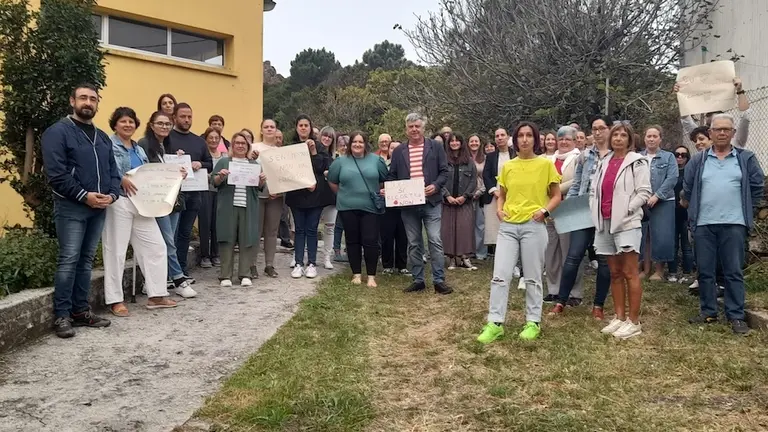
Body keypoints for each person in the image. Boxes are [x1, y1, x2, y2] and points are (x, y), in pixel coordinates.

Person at [41, 83, 121, 338]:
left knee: (86, 261)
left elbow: (113, 172)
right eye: (83, 98)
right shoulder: (58, 132)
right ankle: (62, 315)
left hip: (99, 207)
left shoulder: (102, 137)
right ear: (72, 101)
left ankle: (80, 311)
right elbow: (57, 174)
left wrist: (112, 195)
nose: (88, 102)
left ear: (97, 104)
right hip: (71, 207)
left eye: (93, 99)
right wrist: (84, 196)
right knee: (69, 259)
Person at [477, 121, 562, 344]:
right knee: (500, 275)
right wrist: (499, 209)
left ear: (535, 139)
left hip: (533, 226)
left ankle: (533, 322)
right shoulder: (508, 166)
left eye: (529, 135)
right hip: (508, 226)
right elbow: (502, 194)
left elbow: (556, 195)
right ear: (515, 140)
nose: (524, 139)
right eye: (520, 136)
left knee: (533, 277)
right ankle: (495, 323)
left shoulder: (545, 165)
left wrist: (544, 211)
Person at [683, 113, 764, 335]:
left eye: (726, 129)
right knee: (705, 271)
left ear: (733, 133)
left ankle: (736, 316)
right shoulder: (698, 160)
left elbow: (757, 186)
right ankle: (708, 312)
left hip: (734, 224)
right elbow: (688, 188)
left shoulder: (745, 158)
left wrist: (747, 210)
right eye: (717, 129)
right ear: (710, 133)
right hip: (704, 224)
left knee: (733, 271)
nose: (721, 133)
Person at [103, 107, 177, 316]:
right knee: (116, 251)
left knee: (156, 247)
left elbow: (150, 174)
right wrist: (121, 179)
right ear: (115, 124)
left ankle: (156, 295)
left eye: (131, 122)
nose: (128, 125)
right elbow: (104, 169)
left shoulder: (139, 149)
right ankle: (115, 300)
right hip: (119, 201)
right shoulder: (108, 145)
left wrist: (175, 174)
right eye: (123, 121)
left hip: (142, 204)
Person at [591, 123, 651, 340]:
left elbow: (644, 192)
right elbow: (594, 189)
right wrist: (594, 208)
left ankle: (633, 322)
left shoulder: (637, 162)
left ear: (629, 139)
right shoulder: (604, 161)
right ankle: (619, 316)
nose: (618, 138)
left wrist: (627, 209)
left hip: (627, 223)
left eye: (623, 135)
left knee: (629, 272)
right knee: (614, 272)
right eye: (615, 134)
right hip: (604, 222)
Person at [549, 116, 612, 319]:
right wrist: (569, 209)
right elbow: (576, 185)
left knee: (603, 260)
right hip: (583, 211)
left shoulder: (617, 155)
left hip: (606, 213)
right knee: (573, 256)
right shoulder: (585, 156)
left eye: (601, 128)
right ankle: (561, 301)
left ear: (609, 129)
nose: (598, 132)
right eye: (594, 128)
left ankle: (598, 306)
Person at [385, 113, 452, 294]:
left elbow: (444, 172)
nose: (414, 129)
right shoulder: (399, 151)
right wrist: (389, 189)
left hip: (431, 202)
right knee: (414, 243)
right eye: (411, 127)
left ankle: (439, 280)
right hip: (409, 205)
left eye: (417, 126)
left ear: (423, 128)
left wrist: (435, 185)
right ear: (406, 129)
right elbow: (392, 175)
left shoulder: (435, 147)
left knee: (435, 240)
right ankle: (418, 279)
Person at [138, 111, 196, 298]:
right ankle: (178, 279)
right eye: (160, 123)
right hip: (156, 201)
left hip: (173, 200)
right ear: (151, 125)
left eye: (167, 124)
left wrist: (181, 171)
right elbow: (144, 171)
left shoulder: (169, 147)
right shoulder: (144, 144)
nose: (164, 127)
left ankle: (152, 282)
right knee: (167, 242)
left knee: (167, 241)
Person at [327, 131, 389, 287]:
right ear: (350, 144)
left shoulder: (376, 161)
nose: (357, 144)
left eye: (361, 142)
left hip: (370, 207)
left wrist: (378, 192)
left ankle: (371, 276)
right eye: (354, 142)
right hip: (347, 207)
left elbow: (384, 180)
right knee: (352, 240)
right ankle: (356, 273)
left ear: (365, 144)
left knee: (370, 241)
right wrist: (342, 195)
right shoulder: (340, 162)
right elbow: (332, 181)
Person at [212, 132, 265, 287]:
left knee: (247, 239)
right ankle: (225, 275)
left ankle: (245, 274)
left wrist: (261, 181)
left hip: (248, 206)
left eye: (244, 143)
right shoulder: (224, 162)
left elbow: (260, 188)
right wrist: (220, 176)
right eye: (237, 143)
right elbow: (214, 181)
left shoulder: (254, 164)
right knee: (226, 239)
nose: (240, 146)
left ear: (248, 146)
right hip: (228, 206)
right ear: (232, 146)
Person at [285, 114, 334, 278]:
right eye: (301, 125)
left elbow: (321, 168)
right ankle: (298, 263)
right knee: (299, 229)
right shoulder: (291, 147)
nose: (303, 128)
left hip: (316, 195)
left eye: (306, 125)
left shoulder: (319, 147)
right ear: (296, 128)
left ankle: (312, 263)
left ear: (311, 128)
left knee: (312, 229)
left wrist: (313, 151)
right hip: (296, 194)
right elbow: (287, 170)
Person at [168, 103, 212, 278]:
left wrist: (200, 163)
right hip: (173, 195)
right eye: (183, 116)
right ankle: (169, 273)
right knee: (171, 234)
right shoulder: (167, 138)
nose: (186, 120)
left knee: (185, 234)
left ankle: (182, 271)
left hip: (194, 194)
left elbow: (210, 163)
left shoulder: (199, 141)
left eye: (189, 117)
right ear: (174, 118)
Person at [543, 126, 582, 303]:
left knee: (569, 253)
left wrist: (556, 189)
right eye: (561, 139)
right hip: (549, 210)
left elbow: (578, 180)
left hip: (569, 210)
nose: (564, 142)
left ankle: (573, 292)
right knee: (551, 251)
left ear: (574, 141)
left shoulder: (580, 158)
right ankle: (554, 289)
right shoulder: (548, 160)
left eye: (568, 139)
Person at [639, 125, 678, 281]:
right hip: (642, 202)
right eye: (649, 136)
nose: (651, 139)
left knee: (661, 236)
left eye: (655, 136)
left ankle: (659, 271)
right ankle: (645, 269)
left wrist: (657, 196)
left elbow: (672, 178)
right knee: (645, 236)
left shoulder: (668, 157)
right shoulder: (638, 157)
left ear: (660, 139)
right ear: (644, 138)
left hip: (664, 201)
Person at [251, 119, 284, 278]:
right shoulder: (253, 148)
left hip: (275, 196)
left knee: (272, 231)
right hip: (256, 195)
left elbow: (285, 175)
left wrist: (278, 190)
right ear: (261, 130)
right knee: (255, 231)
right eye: (266, 127)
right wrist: (251, 158)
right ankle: (251, 265)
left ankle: (269, 265)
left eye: (272, 127)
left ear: (276, 130)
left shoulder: (281, 152)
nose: (269, 129)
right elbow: (245, 168)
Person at [441, 134, 478, 270]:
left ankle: (464, 258)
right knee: (448, 230)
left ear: (462, 143)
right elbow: (439, 178)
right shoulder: (443, 160)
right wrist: (447, 196)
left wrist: (465, 196)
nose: (454, 143)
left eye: (457, 140)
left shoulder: (469, 161)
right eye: (452, 141)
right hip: (448, 202)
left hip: (464, 202)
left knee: (465, 229)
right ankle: (451, 258)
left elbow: (473, 180)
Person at [199, 127, 224, 269]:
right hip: (205, 191)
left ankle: (216, 254)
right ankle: (205, 256)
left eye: (216, 138)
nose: (214, 140)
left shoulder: (224, 156)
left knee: (218, 224)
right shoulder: (202, 154)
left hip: (220, 192)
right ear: (206, 139)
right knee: (205, 223)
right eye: (211, 138)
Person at [669, 145, 694, 283]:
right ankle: (672, 272)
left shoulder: (690, 172)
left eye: (683, 155)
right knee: (672, 244)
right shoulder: (670, 171)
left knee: (686, 245)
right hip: (671, 211)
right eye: (677, 154)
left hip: (686, 212)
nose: (679, 157)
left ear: (687, 157)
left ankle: (687, 273)